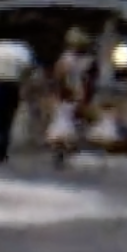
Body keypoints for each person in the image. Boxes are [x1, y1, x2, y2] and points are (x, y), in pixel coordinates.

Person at [46, 28, 97, 169]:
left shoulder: (65, 59)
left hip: (68, 95)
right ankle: (64, 150)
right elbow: (90, 82)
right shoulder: (87, 61)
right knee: (70, 123)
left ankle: (62, 150)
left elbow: (57, 78)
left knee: (66, 122)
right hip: (74, 95)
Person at [0, 36, 36, 163]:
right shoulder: (22, 51)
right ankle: (3, 141)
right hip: (13, 85)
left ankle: (0, 140)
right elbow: (28, 69)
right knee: (9, 115)